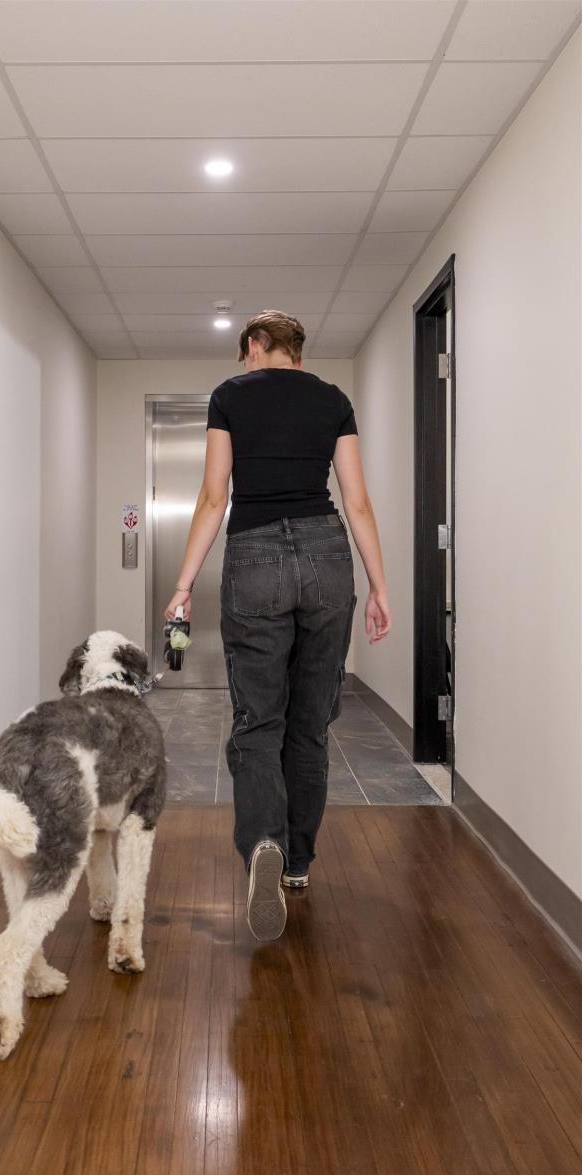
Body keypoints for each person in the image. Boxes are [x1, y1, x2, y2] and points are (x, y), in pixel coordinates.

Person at [164, 310, 391, 941]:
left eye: (246, 351)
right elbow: (357, 501)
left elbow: (214, 497)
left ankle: (264, 842)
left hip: (255, 555)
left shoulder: (230, 396)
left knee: (258, 722)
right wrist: (379, 586)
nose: (244, 363)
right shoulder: (333, 400)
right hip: (326, 555)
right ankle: (297, 863)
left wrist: (182, 586)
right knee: (310, 724)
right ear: (297, 352)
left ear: (258, 345)